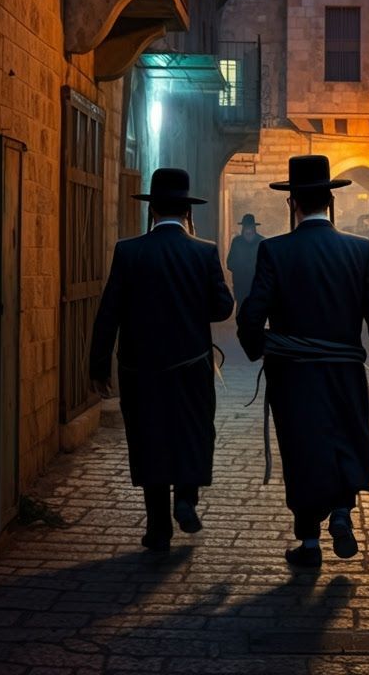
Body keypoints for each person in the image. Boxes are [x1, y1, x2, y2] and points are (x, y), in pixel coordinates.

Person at [237, 155, 369, 569]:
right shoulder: (358, 250)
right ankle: (342, 512)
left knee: (301, 449)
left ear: (292, 203)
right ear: (330, 202)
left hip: (293, 375)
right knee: (344, 437)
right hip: (344, 371)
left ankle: (309, 543)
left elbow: (252, 315)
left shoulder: (274, 250)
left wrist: (261, 348)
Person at [89, 168, 234, 551]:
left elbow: (109, 311)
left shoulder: (129, 251)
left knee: (148, 437)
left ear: (151, 210)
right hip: (191, 364)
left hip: (141, 368)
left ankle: (158, 528)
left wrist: (99, 365)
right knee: (192, 430)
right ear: (188, 212)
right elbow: (222, 308)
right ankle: (186, 497)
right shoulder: (203, 251)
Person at [226, 212, 264, 309]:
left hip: (256, 287)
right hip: (240, 286)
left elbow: (266, 266)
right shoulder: (236, 242)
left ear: (254, 227)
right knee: (241, 310)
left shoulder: (262, 242)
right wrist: (240, 268)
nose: (248, 229)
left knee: (256, 311)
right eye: (246, 226)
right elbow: (229, 263)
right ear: (243, 227)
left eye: (250, 226)